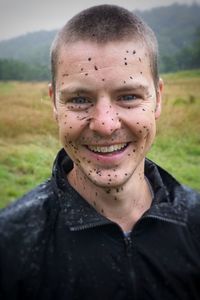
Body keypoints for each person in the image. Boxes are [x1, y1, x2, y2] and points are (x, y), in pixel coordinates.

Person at [0, 4, 200, 300]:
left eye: (129, 96)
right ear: (55, 102)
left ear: (157, 99)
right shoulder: (11, 244)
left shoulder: (195, 225)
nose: (105, 125)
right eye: (80, 99)